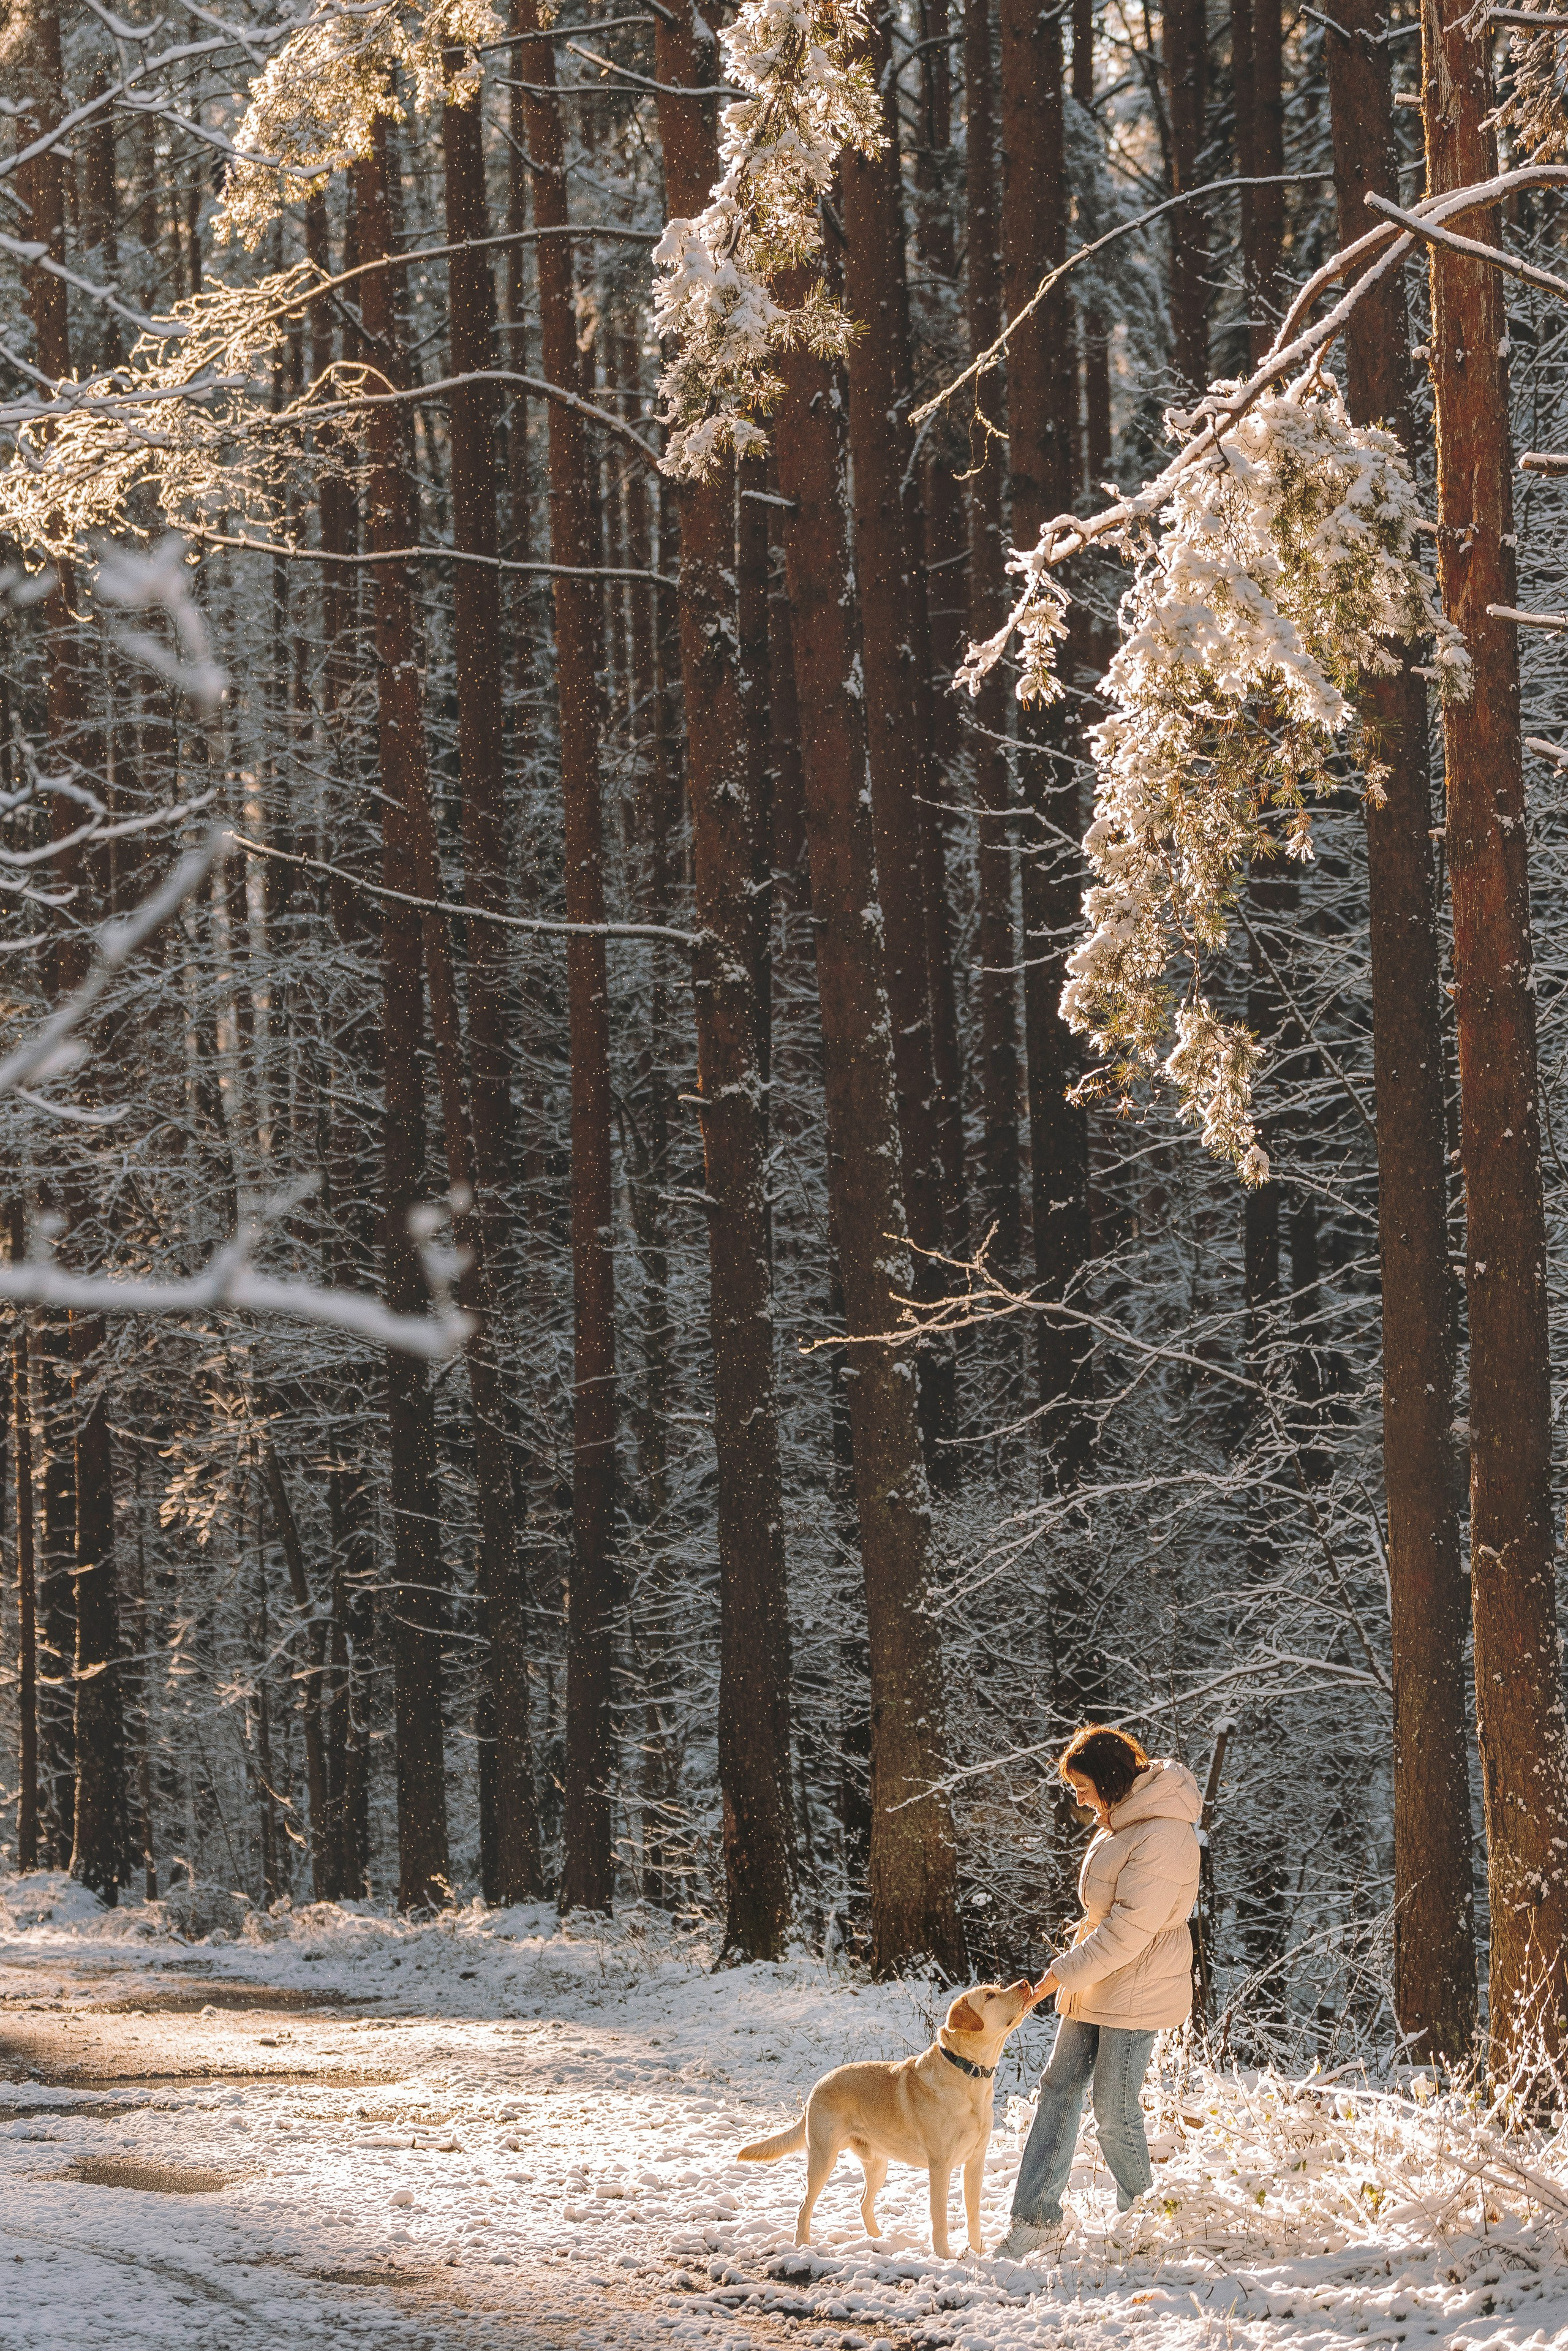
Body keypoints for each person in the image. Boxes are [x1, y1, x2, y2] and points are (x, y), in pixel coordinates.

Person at [993, 1725, 1202, 2262]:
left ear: (1109, 1779)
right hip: (1099, 1974)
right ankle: (1034, 2221)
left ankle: (1143, 2219)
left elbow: (1130, 1930)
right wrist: (1074, 1968)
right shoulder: (1121, 1821)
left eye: (1082, 1785)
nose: (1077, 1796)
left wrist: (1063, 1971)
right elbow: (1107, 1915)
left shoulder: (1164, 1834)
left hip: (1140, 1982)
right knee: (1058, 2086)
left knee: (1114, 2105)